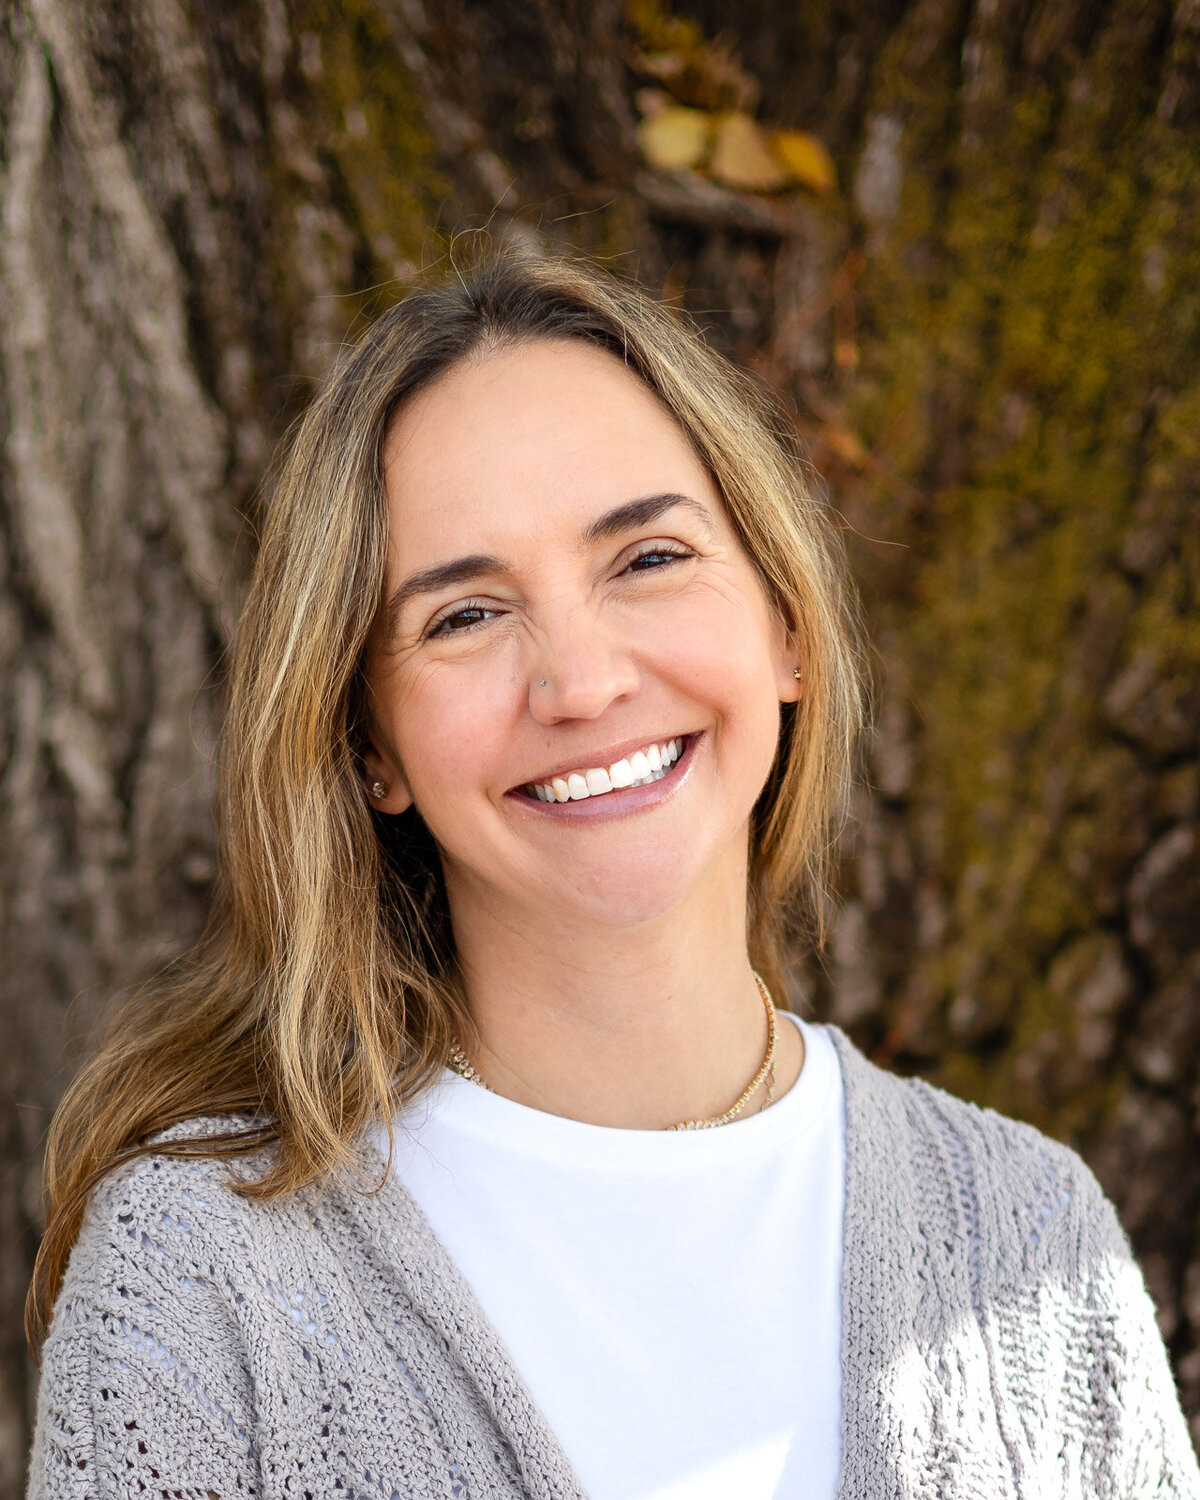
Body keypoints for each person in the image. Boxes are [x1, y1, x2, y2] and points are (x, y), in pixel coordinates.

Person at [26, 249, 1199, 1500]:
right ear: (372, 748)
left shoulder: (1024, 1234)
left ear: (786, 625)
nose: (581, 684)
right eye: (465, 615)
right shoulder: (205, 1277)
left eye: (648, 559)